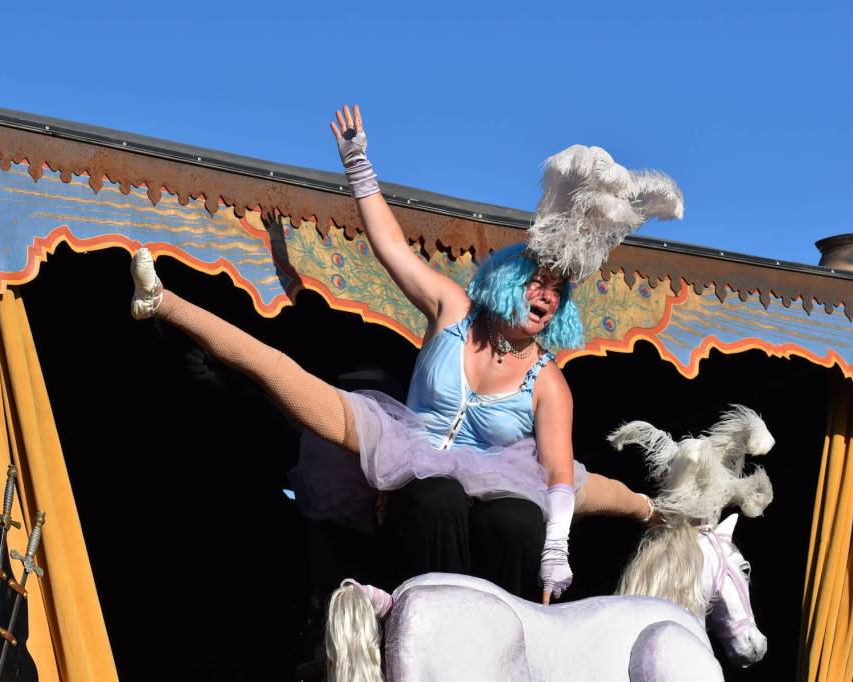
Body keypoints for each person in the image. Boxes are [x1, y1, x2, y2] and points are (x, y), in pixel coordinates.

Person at [129, 104, 658, 604]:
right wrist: (358, 165)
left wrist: (556, 552)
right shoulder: (453, 310)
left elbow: (563, 476)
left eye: (558, 291)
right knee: (430, 491)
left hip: (497, 484)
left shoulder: (548, 381)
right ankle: (165, 303)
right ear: (509, 281)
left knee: (522, 519)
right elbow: (392, 249)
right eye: (538, 283)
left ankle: (522, 623)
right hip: (410, 457)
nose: (547, 295)